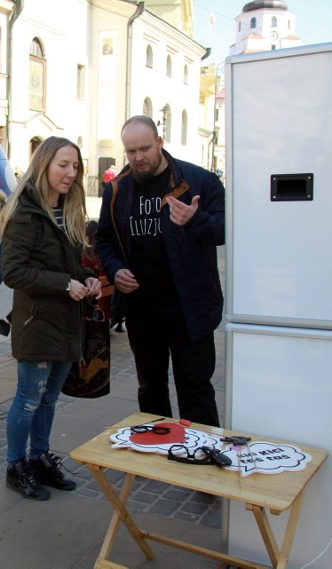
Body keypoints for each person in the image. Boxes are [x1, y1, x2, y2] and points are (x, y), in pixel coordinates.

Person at [0, 136, 101, 501]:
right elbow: (14, 272)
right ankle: (15, 465)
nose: (71, 173)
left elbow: (69, 264)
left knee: (50, 400)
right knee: (28, 400)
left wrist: (86, 278)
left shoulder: (66, 208)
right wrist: (64, 283)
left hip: (67, 322)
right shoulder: (26, 210)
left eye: (76, 166)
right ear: (44, 165)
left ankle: (39, 458)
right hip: (36, 324)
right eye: (63, 165)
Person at [96, 115, 224, 428]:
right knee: (150, 389)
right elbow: (104, 240)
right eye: (131, 151)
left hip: (189, 308)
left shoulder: (198, 181)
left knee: (194, 388)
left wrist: (196, 220)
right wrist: (115, 271)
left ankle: (202, 456)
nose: (138, 157)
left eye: (144, 148)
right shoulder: (117, 190)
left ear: (159, 144)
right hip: (142, 311)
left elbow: (225, 231)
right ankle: (159, 451)